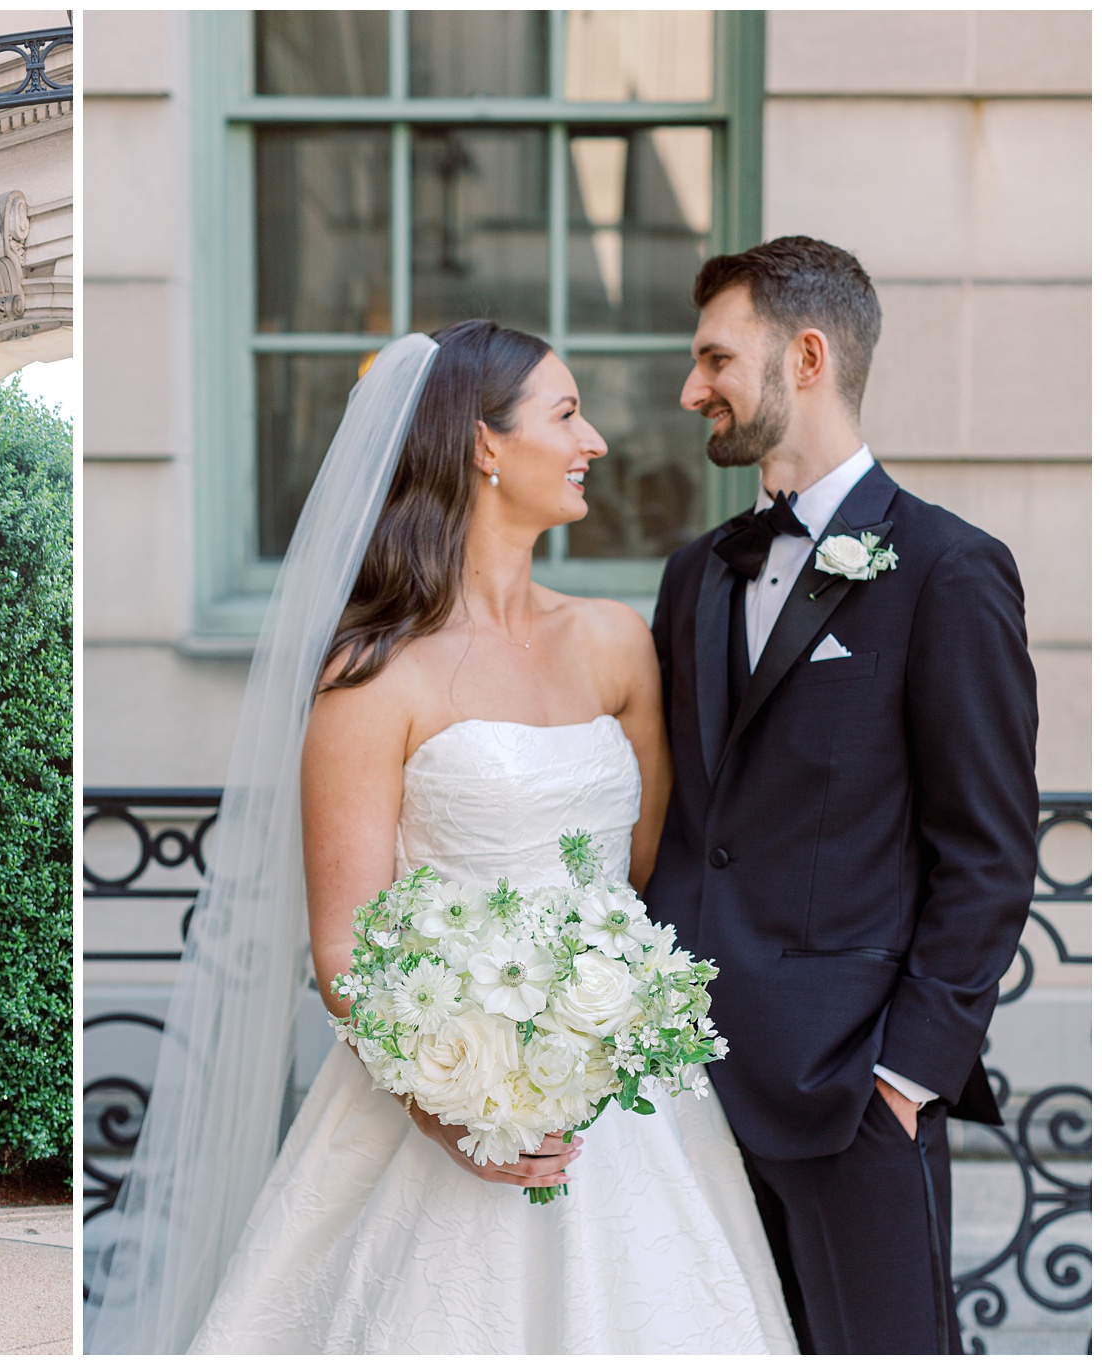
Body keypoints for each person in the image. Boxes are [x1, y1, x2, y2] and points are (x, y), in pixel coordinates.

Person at [86, 322, 795, 1353]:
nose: (592, 438)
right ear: (482, 446)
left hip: (633, 1113)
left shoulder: (612, 642)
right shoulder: (373, 676)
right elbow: (342, 947)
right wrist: (452, 1103)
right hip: (432, 1111)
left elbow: (644, 872)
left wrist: (592, 1016)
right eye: (563, 414)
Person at [645, 236, 1037, 1353]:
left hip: (849, 1095)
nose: (690, 389)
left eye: (714, 358)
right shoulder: (693, 574)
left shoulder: (945, 570)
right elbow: (690, 820)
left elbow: (986, 852)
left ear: (803, 356)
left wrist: (905, 1075)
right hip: (681, 1095)